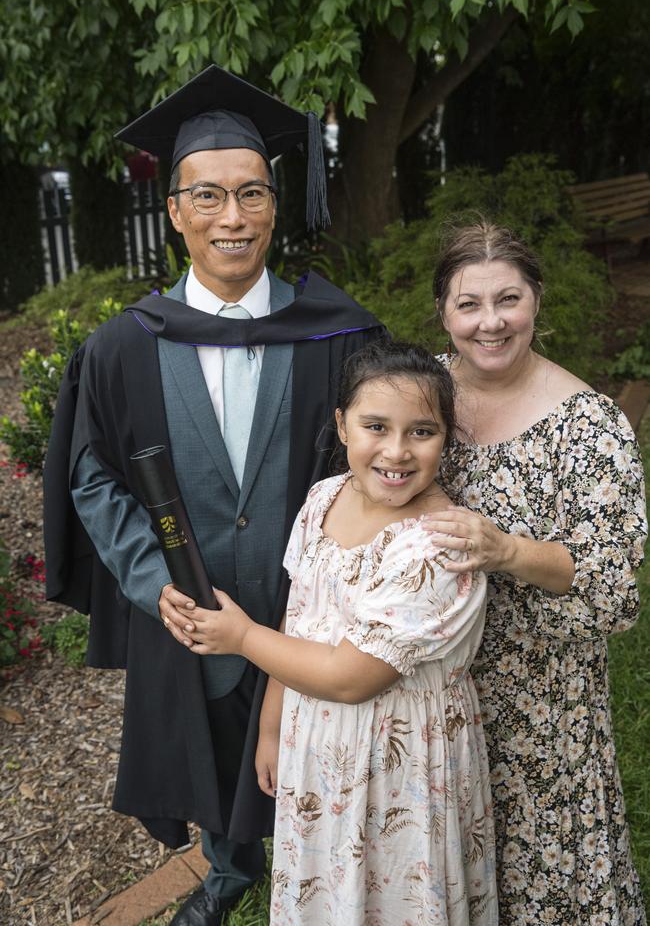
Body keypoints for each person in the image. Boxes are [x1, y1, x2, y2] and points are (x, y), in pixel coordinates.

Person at [43, 64, 386, 926]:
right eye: (207, 197)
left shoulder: (338, 333)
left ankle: (335, 876)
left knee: (321, 746)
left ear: (276, 203)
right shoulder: (122, 347)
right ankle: (232, 868)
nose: (231, 218)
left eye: (252, 194)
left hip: (306, 606)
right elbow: (89, 473)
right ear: (174, 211)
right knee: (210, 746)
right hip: (187, 603)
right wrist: (143, 576)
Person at [167, 340, 499, 925]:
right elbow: (298, 622)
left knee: (396, 894)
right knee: (329, 892)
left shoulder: (437, 548)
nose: (396, 451)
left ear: (447, 438)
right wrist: (271, 729)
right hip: (314, 743)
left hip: (402, 762)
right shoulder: (324, 499)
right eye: (376, 426)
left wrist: (241, 638)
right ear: (342, 425)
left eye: (422, 432)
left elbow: (351, 679)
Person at [419, 222, 647, 925]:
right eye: (469, 305)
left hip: (543, 699)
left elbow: (613, 590)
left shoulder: (590, 426)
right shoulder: (419, 398)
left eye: (508, 299)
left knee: (543, 879)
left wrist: (507, 550)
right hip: (434, 688)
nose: (491, 322)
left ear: (536, 301)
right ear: (444, 313)